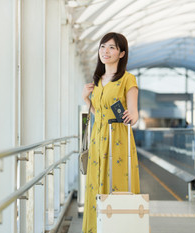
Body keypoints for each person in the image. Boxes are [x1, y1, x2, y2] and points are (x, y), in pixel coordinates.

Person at [81, 32, 140, 233]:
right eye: (103, 47)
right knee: (96, 186)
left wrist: (130, 116)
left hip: (118, 140)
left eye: (112, 47)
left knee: (118, 185)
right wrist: (87, 100)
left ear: (122, 53)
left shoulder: (127, 79)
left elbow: (134, 113)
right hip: (98, 140)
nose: (105, 51)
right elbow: (99, 114)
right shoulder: (97, 81)